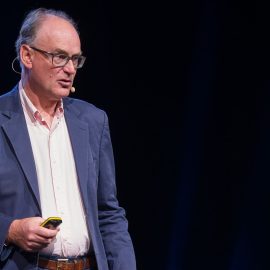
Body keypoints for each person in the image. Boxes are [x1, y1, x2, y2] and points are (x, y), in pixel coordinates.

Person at [0, 7, 136, 270]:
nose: (70, 69)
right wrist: (11, 229)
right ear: (27, 55)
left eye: (75, 59)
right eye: (59, 57)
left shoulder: (93, 121)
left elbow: (108, 213)